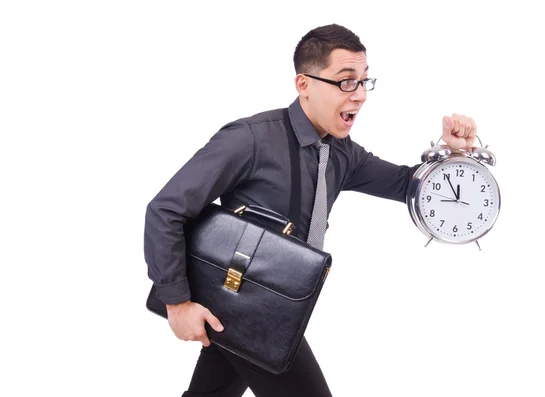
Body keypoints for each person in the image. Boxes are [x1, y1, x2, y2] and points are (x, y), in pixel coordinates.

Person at [143, 23, 477, 397]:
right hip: (248, 306)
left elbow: (408, 185)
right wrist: (177, 302)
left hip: (274, 304)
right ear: (304, 84)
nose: (361, 95)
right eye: (346, 81)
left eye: (365, 81)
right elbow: (166, 209)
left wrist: (454, 154)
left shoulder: (342, 153)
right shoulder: (250, 139)